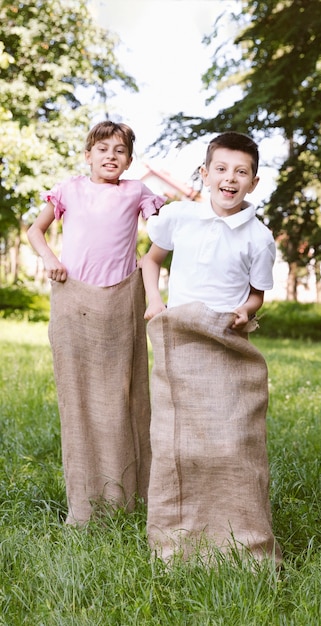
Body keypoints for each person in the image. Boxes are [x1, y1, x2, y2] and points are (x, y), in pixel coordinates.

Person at [141, 131, 282, 565]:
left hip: (226, 341)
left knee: (232, 437)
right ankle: (177, 533)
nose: (229, 178)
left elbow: (258, 293)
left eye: (241, 172)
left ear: (254, 183)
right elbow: (151, 260)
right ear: (205, 174)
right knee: (179, 439)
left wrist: (245, 310)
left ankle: (237, 530)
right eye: (221, 169)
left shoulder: (259, 237)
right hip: (182, 339)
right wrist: (153, 300)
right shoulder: (180, 216)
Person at [27, 120, 166, 525]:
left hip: (120, 302)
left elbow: (164, 231)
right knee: (79, 398)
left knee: (125, 396)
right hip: (75, 300)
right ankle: (85, 502)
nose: (110, 155)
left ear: (129, 160)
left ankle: (131, 494)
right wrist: (51, 259)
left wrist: (148, 260)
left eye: (119, 150)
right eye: (102, 148)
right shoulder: (69, 189)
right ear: (87, 155)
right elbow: (36, 230)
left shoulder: (137, 191)